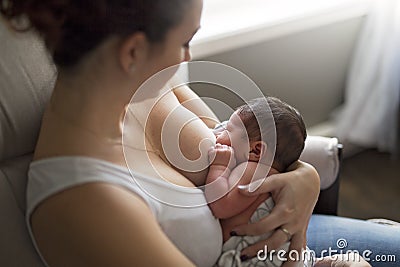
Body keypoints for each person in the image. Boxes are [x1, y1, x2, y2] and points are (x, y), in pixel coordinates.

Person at [1, 1, 398, 267]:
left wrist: (304, 178)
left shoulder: (151, 87)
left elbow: (246, 151)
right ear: (133, 52)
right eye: (186, 41)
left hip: (280, 239)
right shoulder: (87, 202)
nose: (188, 59)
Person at [206, 97, 314, 266]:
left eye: (227, 129)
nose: (219, 134)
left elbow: (220, 205)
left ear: (256, 150)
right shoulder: (274, 173)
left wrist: (219, 166)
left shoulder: (251, 171)